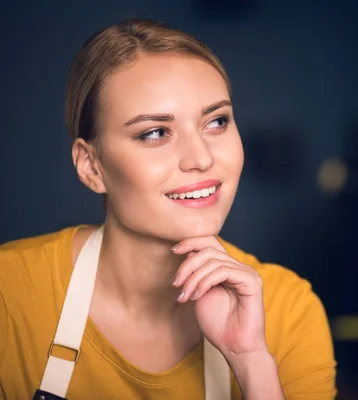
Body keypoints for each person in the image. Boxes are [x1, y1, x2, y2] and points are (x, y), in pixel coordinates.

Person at [0, 19, 336, 399]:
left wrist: (250, 360)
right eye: (155, 133)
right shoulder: (9, 294)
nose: (201, 158)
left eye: (216, 121)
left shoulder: (289, 310)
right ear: (92, 167)